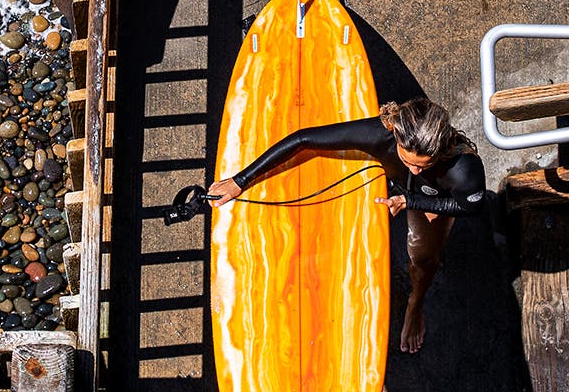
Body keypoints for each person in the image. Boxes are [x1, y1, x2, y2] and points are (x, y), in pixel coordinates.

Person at [208, 96, 485, 354]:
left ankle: (416, 303)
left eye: (423, 166)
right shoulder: (379, 134)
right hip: (392, 184)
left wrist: (410, 201)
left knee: (424, 258)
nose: (415, 170)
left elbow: (469, 206)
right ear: (395, 134)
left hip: (430, 201)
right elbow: (304, 139)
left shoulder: (463, 168)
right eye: (408, 161)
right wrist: (240, 181)